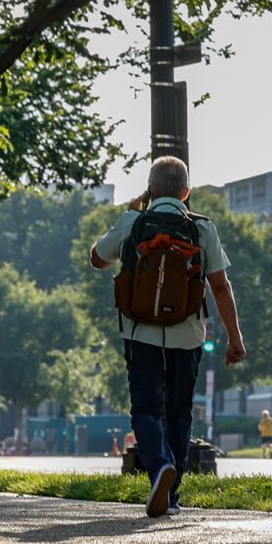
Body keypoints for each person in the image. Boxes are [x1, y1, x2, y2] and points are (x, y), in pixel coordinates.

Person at [91, 156, 247, 518]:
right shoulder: (202, 229)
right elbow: (221, 288)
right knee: (179, 414)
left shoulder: (134, 222)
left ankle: (160, 466)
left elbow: (97, 259)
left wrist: (128, 216)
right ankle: (171, 496)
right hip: (187, 335)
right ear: (186, 192)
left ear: (150, 190)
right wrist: (234, 339)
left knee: (145, 410)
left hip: (139, 332)